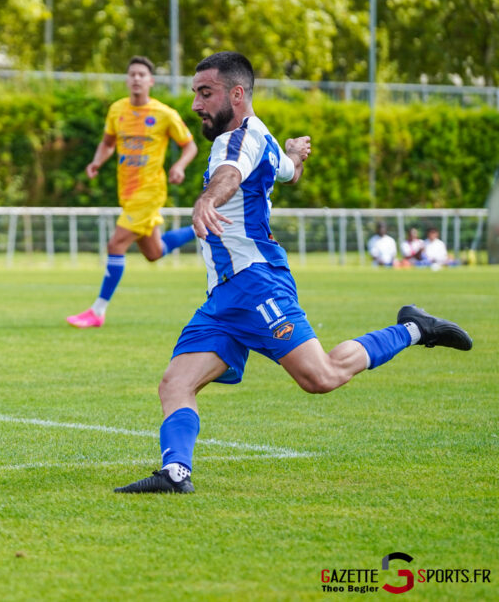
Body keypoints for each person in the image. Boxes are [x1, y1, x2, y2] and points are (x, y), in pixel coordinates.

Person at [114, 52, 473, 495]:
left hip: (257, 282)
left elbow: (228, 175)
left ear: (237, 94)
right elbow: (287, 173)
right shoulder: (260, 135)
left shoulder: (235, 142)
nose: (196, 104)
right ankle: (175, 474)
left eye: (205, 93)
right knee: (176, 383)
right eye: (195, 94)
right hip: (224, 297)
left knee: (319, 377)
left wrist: (207, 198)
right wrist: (294, 155)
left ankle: (414, 329)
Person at [66, 55, 199, 329]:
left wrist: (180, 166)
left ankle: (97, 311)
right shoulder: (117, 110)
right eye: (132, 74)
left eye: (141, 74)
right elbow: (107, 143)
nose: (136, 78)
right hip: (126, 192)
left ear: (150, 81)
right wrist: (96, 161)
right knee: (154, 252)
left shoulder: (165, 114)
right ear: (127, 80)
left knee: (115, 244)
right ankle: (199, 229)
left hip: (150, 191)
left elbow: (190, 146)